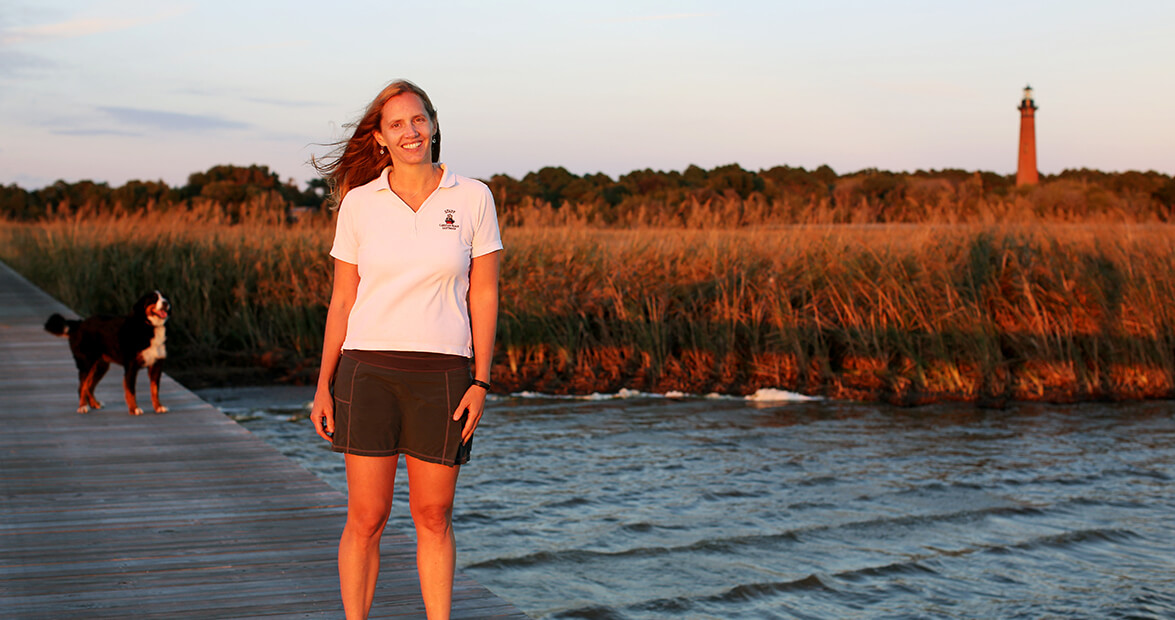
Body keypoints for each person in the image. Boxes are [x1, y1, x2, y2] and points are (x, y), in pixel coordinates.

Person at [310, 79, 502, 620]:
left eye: (418, 120)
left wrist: (481, 380)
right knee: (366, 518)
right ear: (380, 137)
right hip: (366, 371)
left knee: (434, 516)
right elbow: (342, 299)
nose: (410, 132)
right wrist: (323, 385)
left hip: (444, 374)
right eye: (396, 124)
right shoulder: (358, 204)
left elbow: (484, 294)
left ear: (434, 125)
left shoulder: (473, 197)